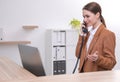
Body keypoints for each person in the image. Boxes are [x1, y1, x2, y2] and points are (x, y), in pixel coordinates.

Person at [75, 2, 116, 73]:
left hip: (96, 78)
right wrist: (81, 36)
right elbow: (78, 55)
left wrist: (98, 59)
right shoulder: (87, 34)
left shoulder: (107, 34)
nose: (84, 20)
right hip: (83, 77)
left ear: (97, 15)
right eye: (84, 17)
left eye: (87, 16)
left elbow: (111, 63)